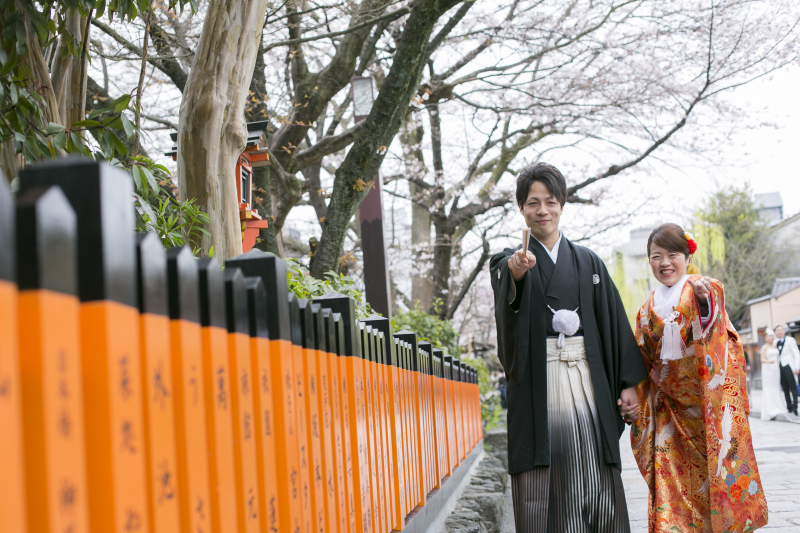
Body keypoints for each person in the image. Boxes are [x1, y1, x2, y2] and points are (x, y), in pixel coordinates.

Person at [490, 162, 647, 532]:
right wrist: (516, 271)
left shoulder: (588, 261)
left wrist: (627, 383)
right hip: (539, 384)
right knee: (546, 472)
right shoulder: (509, 261)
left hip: (586, 379)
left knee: (592, 464)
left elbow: (614, 322)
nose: (542, 210)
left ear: (562, 204)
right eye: (532, 203)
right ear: (521, 208)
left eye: (550, 201)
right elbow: (507, 293)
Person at [630, 223, 768, 532]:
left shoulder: (705, 288)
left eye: (672, 254)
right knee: (671, 489)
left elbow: (720, 334)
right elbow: (639, 360)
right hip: (668, 415)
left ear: (687, 255)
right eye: (656, 256)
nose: (664, 263)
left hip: (707, 412)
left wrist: (705, 302)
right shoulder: (645, 311)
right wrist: (633, 398)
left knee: (714, 484)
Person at [761, 330, 788, 420]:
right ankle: (770, 408)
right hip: (768, 368)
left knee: (776, 386)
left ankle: (779, 406)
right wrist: (770, 361)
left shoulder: (775, 346)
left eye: (770, 336)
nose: (769, 338)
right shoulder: (764, 347)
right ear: (765, 338)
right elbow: (762, 359)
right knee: (769, 387)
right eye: (767, 337)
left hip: (776, 369)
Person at [773, 324, 799, 415]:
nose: (779, 331)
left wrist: (797, 367)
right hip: (779, 368)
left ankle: (795, 406)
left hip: (789, 366)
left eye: (781, 330)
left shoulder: (790, 340)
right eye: (777, 330)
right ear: (775, 333)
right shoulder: (775, 342)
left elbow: (796, 353)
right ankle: (789, 407)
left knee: (792, 387)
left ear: (784, 331)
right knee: (785, 388)